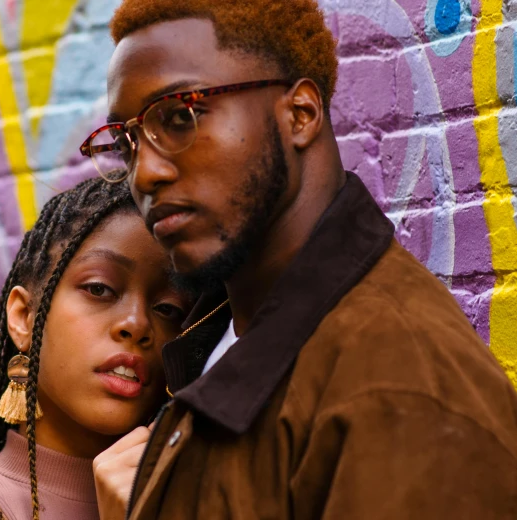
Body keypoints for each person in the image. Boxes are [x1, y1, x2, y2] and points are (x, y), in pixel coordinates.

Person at [80, 1, 517, 518]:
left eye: (180, 116)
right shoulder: (212, 337)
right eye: (127, 143)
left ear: (300, 114)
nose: (144, 173)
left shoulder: (398, 389)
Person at [0, 177, 193, 520]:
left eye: (169, 308)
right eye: (99, 289)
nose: (136, 323)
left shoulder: (192, 498)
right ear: (24, 317)